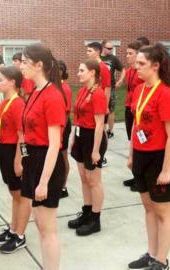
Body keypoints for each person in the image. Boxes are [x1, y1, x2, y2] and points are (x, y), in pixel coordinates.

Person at [127, 44, 170, 270]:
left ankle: (162, 260)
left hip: (160, 159)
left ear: (156, 66)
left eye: (141, 64)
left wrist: (167, 170)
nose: (136, 67)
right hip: (141, 156)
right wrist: (131, 154)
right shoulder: (139, 90)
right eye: (136, 63)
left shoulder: (166, 94)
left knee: (163, 212)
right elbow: (136, 125)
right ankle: (151, 254)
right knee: (149, 208)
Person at [15, 43, 66, 269]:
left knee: (48, 229)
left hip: (47, 162)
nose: (21, 66)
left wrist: (44, 182)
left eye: (25, 62)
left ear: (39, 65)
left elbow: (55, 144)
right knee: (40, 225)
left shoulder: (53, 96)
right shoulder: (36, 91)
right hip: (33, 160)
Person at [68, 59, 108, 236]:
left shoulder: (98, 93)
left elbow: (100, 124)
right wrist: (72, 139)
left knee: (94, 180)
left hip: (93, 138)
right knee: (84, 178)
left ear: (93, 72)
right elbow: (77, 117)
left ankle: (95, 219)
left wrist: (95, 151)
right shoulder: (83, 91)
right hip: (81, 135)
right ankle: (87, 211)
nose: (78, 73)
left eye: (82, 70)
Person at [0, 67, 27, 253]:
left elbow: (23, 136)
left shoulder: (18, 104)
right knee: (14, 194)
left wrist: (20, 160)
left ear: (13, 82)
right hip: (4, 149)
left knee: (19, 195)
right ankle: (13, 228)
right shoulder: (5, 103)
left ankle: (20, 235)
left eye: (1, 79)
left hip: (14, 152)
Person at [122, 41, 144, 191]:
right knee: (132, 141)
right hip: (129, 107)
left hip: (139, 109)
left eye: (130, 53)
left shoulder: (141, 72)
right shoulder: (129, 71)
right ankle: (136, 174)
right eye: (127, 53)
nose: (127, 56)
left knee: (139, 143)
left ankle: (140, 178)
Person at [86, 41, 111, 167]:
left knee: (102, 129)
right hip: (91, 103)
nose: (87, 53)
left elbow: (107, 87)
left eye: (89, 51)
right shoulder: (91, 67)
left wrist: (105, 105)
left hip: (100, 103)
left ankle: (102, 154)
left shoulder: (103, 68)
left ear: (97, 52)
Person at [101, 40, 125, 138]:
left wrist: (121, 80)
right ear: (103, 47)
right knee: (100, 109)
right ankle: (101, 129)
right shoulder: (97, 57)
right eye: (108, 48)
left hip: (111, 88)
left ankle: (109, 131)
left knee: (110, 109)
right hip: (99, 88)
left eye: (112, 48)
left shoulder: (113, 59)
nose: (110, 50)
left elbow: (123, 69)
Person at [58, 60, 73, 198]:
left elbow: (66, 113)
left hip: (63, 126)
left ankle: (63, 187)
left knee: (62, 157)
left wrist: (61, 133)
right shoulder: (54, 87)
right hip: (55, 126)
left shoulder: (65, 89)